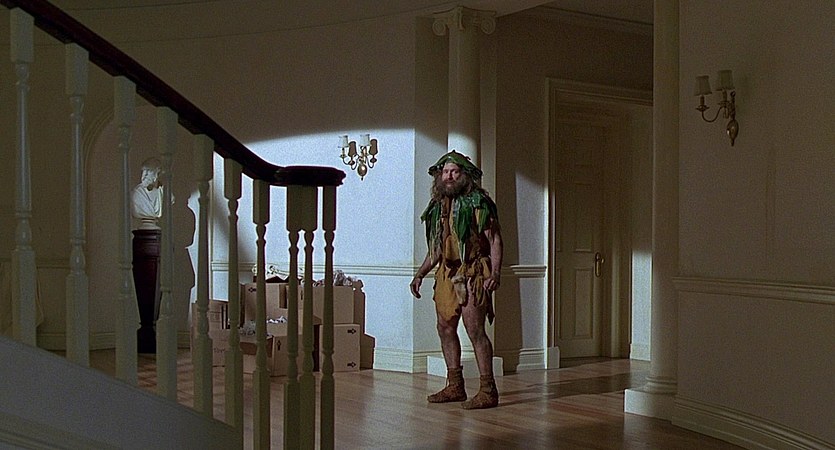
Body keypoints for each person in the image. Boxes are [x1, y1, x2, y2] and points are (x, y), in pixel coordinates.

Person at [410, 150, 503, 410]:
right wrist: (420, 273)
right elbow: (436, 248)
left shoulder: (478, 203)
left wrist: (495, 273)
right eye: (445, 172)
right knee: (444, 327)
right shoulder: (438, 206)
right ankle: (455, 385)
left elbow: (495, 239)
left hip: (473, 271)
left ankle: (488, 390)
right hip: (447, 273)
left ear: (464, 175)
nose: (449, 176)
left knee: (475, 330)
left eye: (454, 171)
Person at [131, 157, 164, 230]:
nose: (144, 175)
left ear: (157, 173)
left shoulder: (165, 193)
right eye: (143, 171)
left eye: (148, 171)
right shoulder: (136, 194)